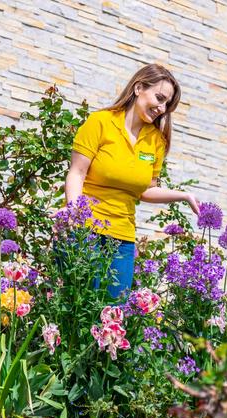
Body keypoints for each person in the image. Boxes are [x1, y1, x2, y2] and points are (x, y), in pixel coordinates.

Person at [64, 64, 200, 298]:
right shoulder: (100, 122)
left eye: (167, 104)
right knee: (80, 310)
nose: (162, 108)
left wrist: (183, 195)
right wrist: (74, 216)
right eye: (159, 98)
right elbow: (77, 173)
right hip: (86, 232)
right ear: (138, 88)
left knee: (115, 314)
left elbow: (147, 190)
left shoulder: (156, 141)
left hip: (123, 239)